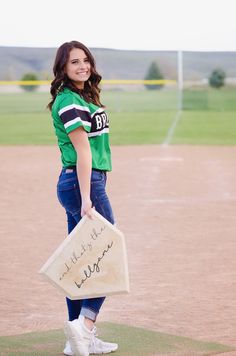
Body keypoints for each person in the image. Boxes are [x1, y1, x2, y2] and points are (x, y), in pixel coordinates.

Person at [48, 41, 118, 356]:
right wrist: (88, 197)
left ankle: (77, 340)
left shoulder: (81, 96)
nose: (82, 66)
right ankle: (85, 326)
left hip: (81, 182)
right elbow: (83, 150)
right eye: (74, 62)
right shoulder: (67, 100)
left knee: (80, 260)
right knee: (107, 247)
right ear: (63, 68)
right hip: (81, 183)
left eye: (85, 60)